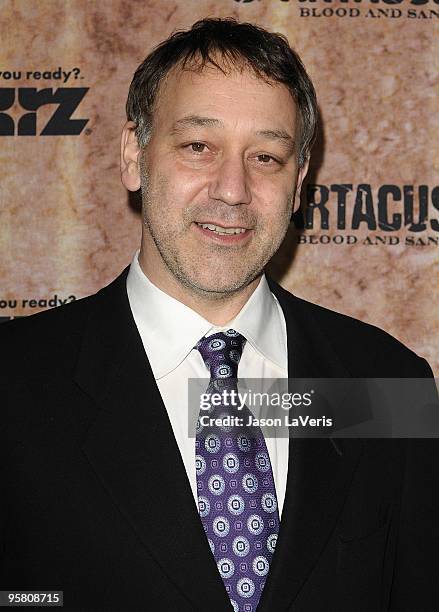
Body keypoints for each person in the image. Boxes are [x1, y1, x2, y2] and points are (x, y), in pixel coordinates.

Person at [1, 18, 438, 612]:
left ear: (299, 181)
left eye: (266, 156)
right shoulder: (16, 382)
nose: (232, 188)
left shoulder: (386, 385)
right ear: (134, 155)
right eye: (198, 147)